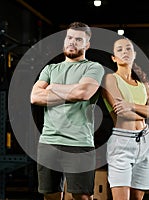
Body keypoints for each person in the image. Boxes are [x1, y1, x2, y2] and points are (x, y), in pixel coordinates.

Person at [30, 22, 105, 200]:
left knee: (82, 197)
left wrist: (53, 88)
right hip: (49, 141)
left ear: (87, 45)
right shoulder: (50, 69)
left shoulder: (93, 68)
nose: (72, 42)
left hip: (79, 143)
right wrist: (70, 93)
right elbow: (35, 97)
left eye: (78, 39)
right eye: (69, 38)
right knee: (50, 196)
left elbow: (83, 93)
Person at [102, 37, 149, 200]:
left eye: (128, 49)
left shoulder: (143, 84)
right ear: (113, 58)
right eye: (119, 50)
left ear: (134, 54)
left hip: (145, 141)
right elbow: (123, 114)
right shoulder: (110, 79)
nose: (124, 52)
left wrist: (131, 106)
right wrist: (145, 110)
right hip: (122, 143)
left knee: (137, 198)